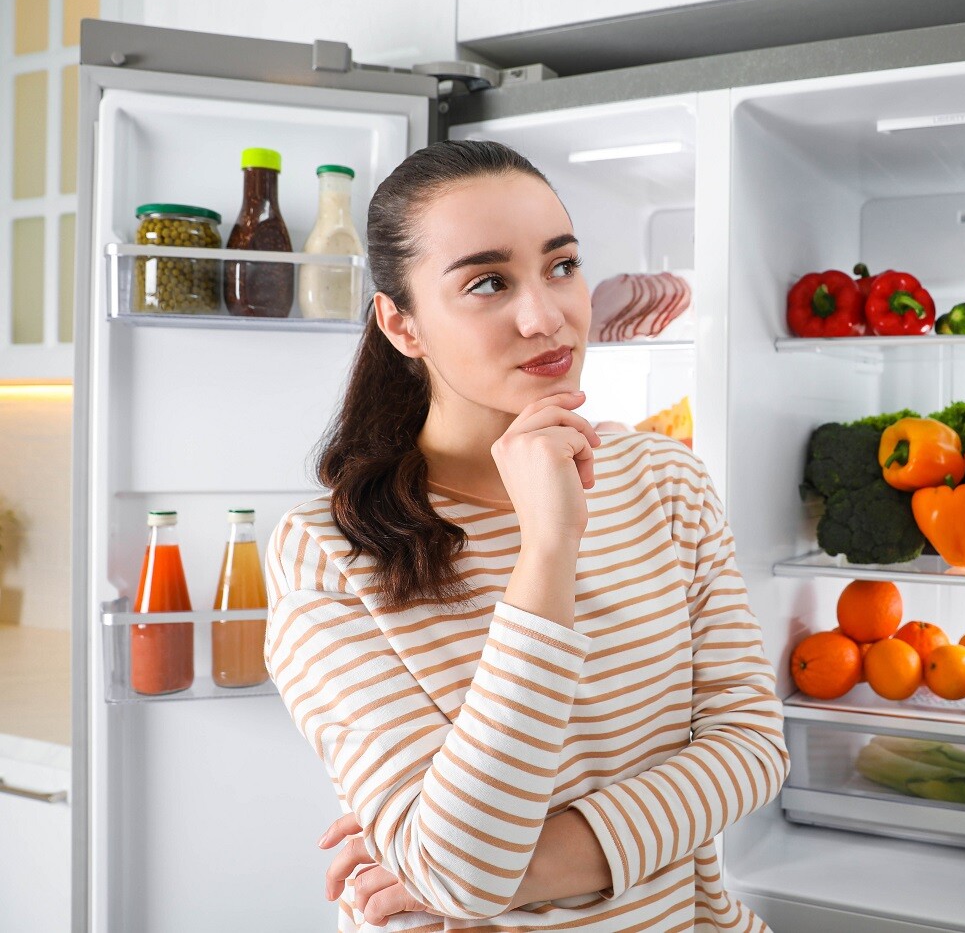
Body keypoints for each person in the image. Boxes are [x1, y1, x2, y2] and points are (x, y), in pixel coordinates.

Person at [262, 139, 789, 931]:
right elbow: (462, 868)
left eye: (562, 265)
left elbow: (750, 748)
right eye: (486, 282)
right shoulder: (328, 554)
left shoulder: (664, 480)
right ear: (402, 324)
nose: (547, 316)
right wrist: (547, 548)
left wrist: (512, 870)